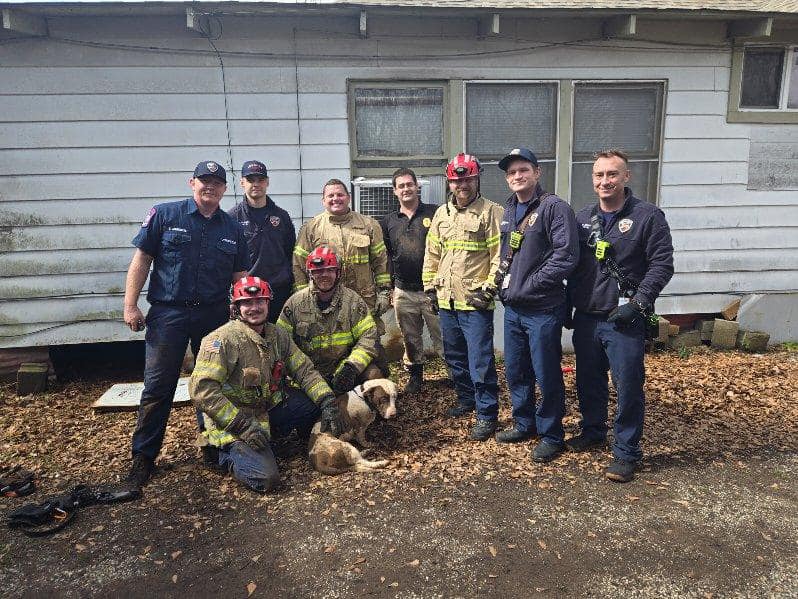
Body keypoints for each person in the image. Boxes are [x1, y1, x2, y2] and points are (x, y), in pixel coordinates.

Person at [122, 160, 250, 488]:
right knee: (157, 387)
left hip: (213, 316)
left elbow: (240, 278)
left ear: (224, 189)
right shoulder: (165, 216)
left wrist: (244, 313)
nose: (210, 187)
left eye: (217, 183)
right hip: (168, 314)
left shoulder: (233, 229)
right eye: (203, 181)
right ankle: (143, 457)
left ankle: (211, 444)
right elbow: (142, 261)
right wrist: (130, 305)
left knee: (213, 382)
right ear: (191, 183)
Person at [568, 149, 674, 483]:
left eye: (612, 174)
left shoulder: (648, 216)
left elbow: (662, 264)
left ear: (626, 177)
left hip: (624, 319)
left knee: (628, 386)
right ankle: (593, 430)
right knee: (588, 380)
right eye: (599, 175)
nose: (605, 181)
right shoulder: (583, 218)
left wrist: (639, 303)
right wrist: (570, 304)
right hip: (587, 317)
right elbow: (575, 265)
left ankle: (627, 452)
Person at [189, 276, 338, 493]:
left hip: (268, 408)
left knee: (314, 406)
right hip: (234, 421)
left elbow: (304, 370)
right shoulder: (221, 341)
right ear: (235, 307)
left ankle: (270, 439)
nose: (254, 308)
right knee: (265, 479)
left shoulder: (278, 335)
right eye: (247, 303)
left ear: (268, 303)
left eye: (260, 301)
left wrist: (327, 400)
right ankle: (222, 453)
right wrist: (242, 426)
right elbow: (202, 390)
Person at [494, 148, 580, 462]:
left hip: (543, 308)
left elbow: (566, 257)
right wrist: (503, 284)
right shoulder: (509, 209)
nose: (517, 176)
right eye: (512, 172)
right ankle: (525, 423)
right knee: (516, 370)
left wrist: (530, 284)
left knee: (546, 373)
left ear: (537, 172)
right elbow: (509, 255)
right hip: (514, 308)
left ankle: (552, 434)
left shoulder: (553, 208)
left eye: (523, 170)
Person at [422, 153, 503, 441]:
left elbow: (500, 256)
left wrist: (490, 288)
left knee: (480, 361)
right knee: (455, 357)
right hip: (446, 300)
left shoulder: (492, 212)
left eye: (467, 179)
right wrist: (429, 286)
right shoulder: (441, 214)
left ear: (477, 178)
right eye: (457, 180)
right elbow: (432, 254)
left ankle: (487, 413)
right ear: (449, 182)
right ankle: (467, 398)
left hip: (474, 301)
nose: (462, 185)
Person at [279, 246, 384, 395]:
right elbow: (281, 343)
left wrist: (351, 367)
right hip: (310, 375)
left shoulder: (353, 302)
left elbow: (369, 337)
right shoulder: (294, 304)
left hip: (344, 370)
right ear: (310, 274)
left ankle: (373, 412)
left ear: (338, 272)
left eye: (330, 270)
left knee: (374, 375)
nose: (324, 275)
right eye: (318, 271)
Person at [292, 179, 392, 329]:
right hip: (325, 300)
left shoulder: (369, 225)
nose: (335, 199)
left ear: (349, 197)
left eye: (340, 194)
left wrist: (384, 292)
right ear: (323, 200)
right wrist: (303, 298)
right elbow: (299, 265)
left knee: (369, 342)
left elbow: (380, 262)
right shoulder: (311, 228)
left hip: (364, 300)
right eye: (330, 195)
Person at [380, 168, 443, 394]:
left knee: (443, 336)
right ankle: (416, 376)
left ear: (417, 187)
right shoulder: (388, 222)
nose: (406, 189)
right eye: (401, 186)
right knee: (410, 338)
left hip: (432, 291)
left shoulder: (435, 213)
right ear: (395, 191)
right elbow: (386, 256)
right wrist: (388, 287)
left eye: (410, 184)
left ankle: (457, 377)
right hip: (403, 291)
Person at [228, 160, 296, 322]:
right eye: (251, 180)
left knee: (280, 337)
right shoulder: (231, 218)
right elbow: (228, 261)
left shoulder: (282, 216)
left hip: (280, 291)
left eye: (260, 180)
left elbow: (291, 253)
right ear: (242, 183)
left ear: (267, 182)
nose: (256, 184)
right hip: (248, 294)